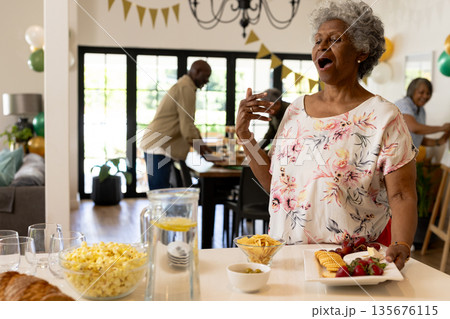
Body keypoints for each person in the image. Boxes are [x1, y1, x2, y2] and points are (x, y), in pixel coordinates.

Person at [235, 0, 416, 270]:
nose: (322, 45)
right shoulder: (295, 110)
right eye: (318, 40)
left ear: (362, 51)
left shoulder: (384, 116)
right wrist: (245, 137)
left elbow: (402, 194)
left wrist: (402, 244)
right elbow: (275, 184)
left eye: (335, 39)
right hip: (284, 257)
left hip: (351, 263)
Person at [139, 60, 214, 190]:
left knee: (161, 194)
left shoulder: (185, 86)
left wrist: (204, 148)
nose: (207, 81)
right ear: (196, 72)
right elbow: (187, 127)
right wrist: (205, 153)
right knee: (160, 194)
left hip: (158, 144)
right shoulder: (186, 88)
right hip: (158, 146)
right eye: (206, 76)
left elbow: (189, 124)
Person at [395, 78, 450, 148]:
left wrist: (438, 141)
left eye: (428, 93)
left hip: (408, 156)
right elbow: (414, 128)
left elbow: (418, 138)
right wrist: (442, 128)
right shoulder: (403, 104)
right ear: (412, 91)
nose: (425, 96)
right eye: (421, 92)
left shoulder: (421, 110)